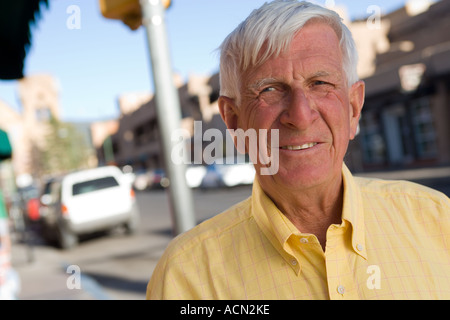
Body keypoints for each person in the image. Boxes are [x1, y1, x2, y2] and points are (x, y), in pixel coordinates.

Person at [147, 0, 450, 300]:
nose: (301, 116)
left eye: (320, 83)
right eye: (269, 90)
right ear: (234, 121)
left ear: (353, 107)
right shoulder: (185, 278)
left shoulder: (437, 220)